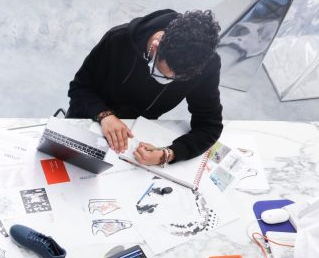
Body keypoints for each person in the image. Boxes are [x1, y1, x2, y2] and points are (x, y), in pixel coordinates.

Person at [67, 9, 222, 165]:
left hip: (134, 143)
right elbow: (79, 88)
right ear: (155, 46)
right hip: (86, 121)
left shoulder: (206, 65)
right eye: (163, 74)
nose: (168, 81)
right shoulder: (118, 40)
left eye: (177, 79)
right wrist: (103, 115)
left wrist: (169, 153)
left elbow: (210, 125)